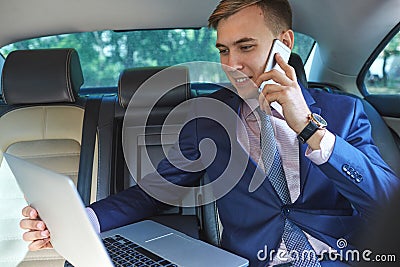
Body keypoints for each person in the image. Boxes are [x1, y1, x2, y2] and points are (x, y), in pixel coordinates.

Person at [20, 0, 399, 266]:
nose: (231, 65)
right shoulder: (209, 117)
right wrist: (78, 221)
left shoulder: (344, 113)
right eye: (222, 50)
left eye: (246, 47)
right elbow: (155, 192)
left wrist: (308, 129)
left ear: (283, 44)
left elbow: (386, 204)